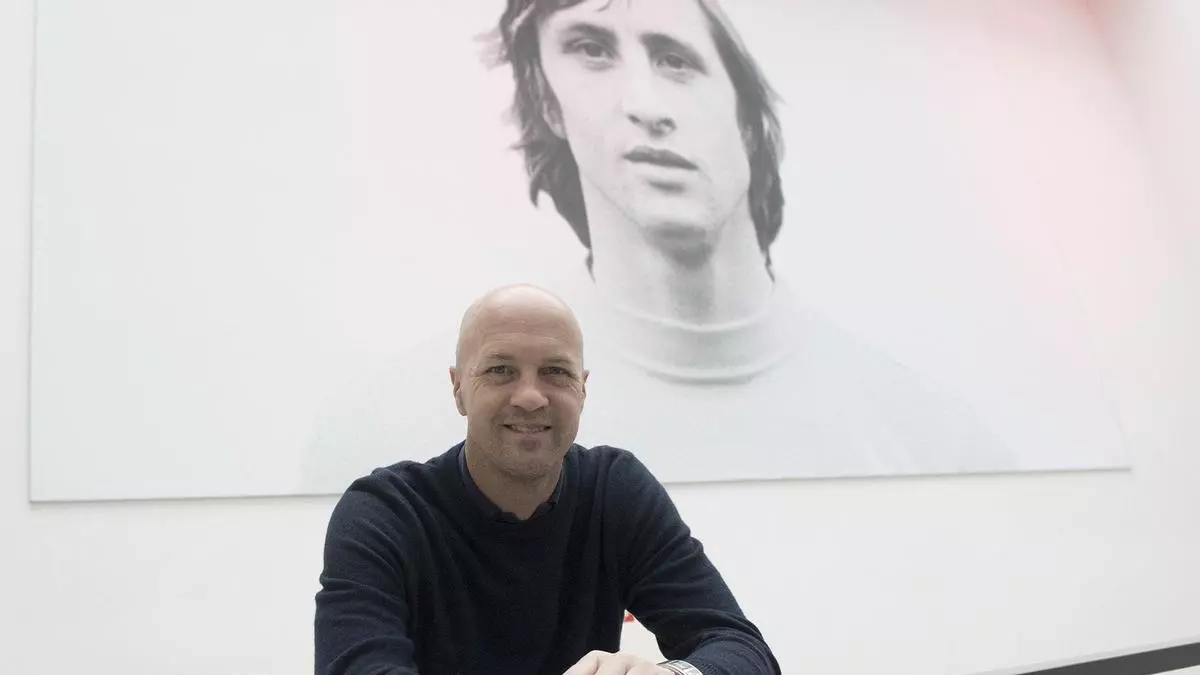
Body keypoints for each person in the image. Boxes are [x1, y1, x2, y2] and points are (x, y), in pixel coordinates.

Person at [296, 0, 1014, 495]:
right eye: (591, 50)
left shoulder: (930, 433)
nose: (644, 104)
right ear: (547, 100)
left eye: (675, 60)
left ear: (746, 107)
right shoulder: (378, 432)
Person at [313, 284, 781, 675]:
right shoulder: (384, 515)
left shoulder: (614, 491)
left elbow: (742, 649)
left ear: (583, 388)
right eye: (501, 370)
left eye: (555, 372)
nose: (531, 396)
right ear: (458, 388)